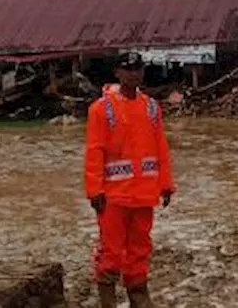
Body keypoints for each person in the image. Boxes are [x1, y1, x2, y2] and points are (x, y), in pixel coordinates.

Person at [85, 51, 175, 308]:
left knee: (140, 247)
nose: (134, 74)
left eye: (138, 69)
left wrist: (166, 185)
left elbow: (161, 149)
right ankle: (108, 299)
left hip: (144, 193)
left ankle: (138, 294)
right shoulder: (102, 109)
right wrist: (94, 190)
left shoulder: (151, 107)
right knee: (111, 250)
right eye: (128, 69)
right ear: (117, 73)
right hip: (113, 195)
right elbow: (95, 151)